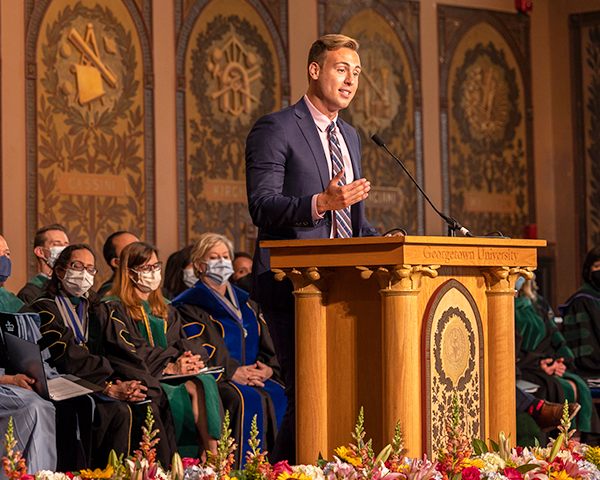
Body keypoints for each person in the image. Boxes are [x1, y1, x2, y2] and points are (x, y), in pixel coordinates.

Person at [245, 34, 380, 462]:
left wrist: (384, 240)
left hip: (345, 284)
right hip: (294, 284)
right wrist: (320, 203)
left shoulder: (352, 137)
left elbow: (353, 222)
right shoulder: (277, 127)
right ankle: (283, 472)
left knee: (342, 390)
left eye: (356, 73)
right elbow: (261, 206)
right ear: (315, 70)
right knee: (308, 392)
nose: (350, 80)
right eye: (342, 69)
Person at [29, 244, 177, 466]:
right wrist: (108, 387)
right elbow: (67, 355)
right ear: (59, 272)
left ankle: (156, 472)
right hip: (66, 382)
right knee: (117, 411)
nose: (85, 274)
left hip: (103, 380)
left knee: (149, 402)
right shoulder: (44, 308)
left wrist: (135, 383)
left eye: (90, 269)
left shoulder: (99, 308)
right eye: (77, 266)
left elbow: (123, 348)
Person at [94, 241, 220, 460]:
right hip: (141, 373)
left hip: (167, 371)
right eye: (145, 268)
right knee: (184, 389)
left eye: (155, 266)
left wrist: (186, 359)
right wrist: (170, 365)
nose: (153, 273)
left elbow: (181, 340)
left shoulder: (164, 307)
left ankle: (211, 455)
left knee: (204, 380)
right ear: (129, 273)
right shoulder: (113, 307)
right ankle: (180, 461)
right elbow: (129, 350)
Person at [173, 233, 285, 468]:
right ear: (198, 266)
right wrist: (233, 371)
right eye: (213, 257)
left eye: (225, 256)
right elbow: (199, 346)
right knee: (241, 398)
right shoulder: (189, 304)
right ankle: (239, 470)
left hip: (255, 375)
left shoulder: (247, 301)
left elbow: (268, 339)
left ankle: (282, 468)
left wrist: (268, 368)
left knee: (281, 393)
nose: (221, 262)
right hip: (219, 378)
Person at [515, 275, 600, 443]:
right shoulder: (501, 304)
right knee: (561, 388)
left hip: (543, 362)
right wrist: (539, 364)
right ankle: (559, 446)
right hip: (524, 367)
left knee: (578, 386)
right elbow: (507, 348)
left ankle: (578, 448)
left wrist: (559, 361)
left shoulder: (537, 303)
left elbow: (552, 336)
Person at [561, 245, 600, 377]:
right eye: (597, 266)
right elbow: (583, 348)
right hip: (590, 372)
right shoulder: (580, 301)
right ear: (588, 271)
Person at [17, 224, 69, 305]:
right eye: (56, 244)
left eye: (66, 245)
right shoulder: (29, 294)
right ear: (40, 252)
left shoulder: (71, 288)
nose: (65, 249)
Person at [97, 231, 139, 298]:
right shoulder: (109, 295)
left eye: (140, 248)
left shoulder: (147, 288)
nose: (140, 254)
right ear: (116, 262)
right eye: (131, 250)